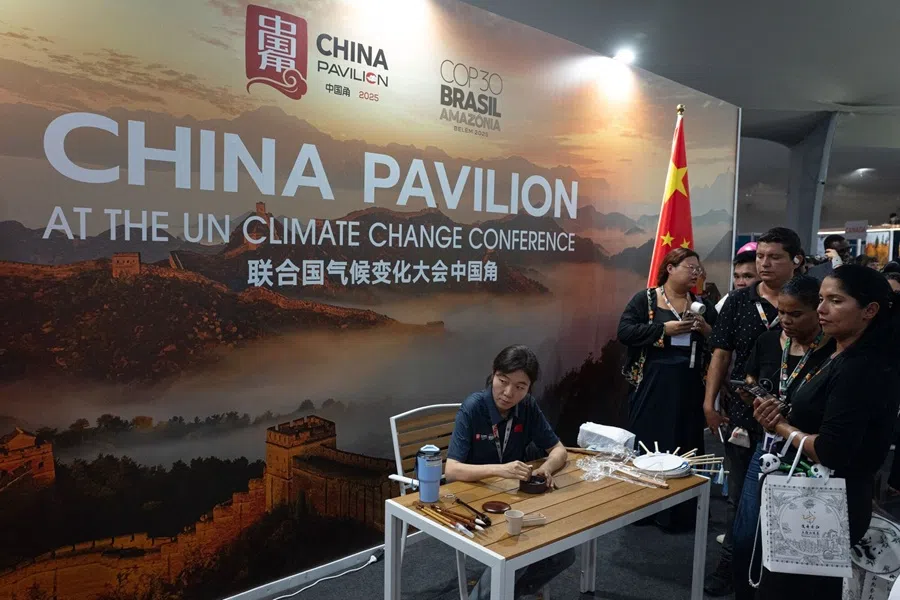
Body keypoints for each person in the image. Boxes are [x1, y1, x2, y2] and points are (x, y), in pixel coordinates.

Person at [753, 265, 900, 598]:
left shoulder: (861, 366)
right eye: (821, 299)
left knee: (794, 591)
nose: (821, 309)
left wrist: (780, 426)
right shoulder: (840, 352)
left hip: (828, 501)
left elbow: (832, 450)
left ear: (870, 311)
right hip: (814, 494)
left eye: (835, 300)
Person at [702, 227, 805, 596]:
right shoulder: (739, 302)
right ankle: (733, 565)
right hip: (744, 415)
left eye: (773, 256)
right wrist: (709, 402)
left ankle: (782, 571)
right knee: (740, 498)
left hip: (798, 418)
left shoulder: (810, 299)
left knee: (791, 495)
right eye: (760, 256)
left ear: (796, 260)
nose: (764, 263)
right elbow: (721, 354)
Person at [728, 276, 836, 600]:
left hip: (809, 456)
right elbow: (748, 376)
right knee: (746, 533)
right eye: (782, 313)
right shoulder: (768, 341)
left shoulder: (833, 351)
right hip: (768, 447)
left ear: (817, 311)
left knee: (799, 544)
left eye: (795, 314)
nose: (786, 321)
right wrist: (757, 396)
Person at [445, 345, 572, 599]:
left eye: (520, 387)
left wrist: (546, 468)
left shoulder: (527, 408)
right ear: (493, 374)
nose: (508, 393)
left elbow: (559, 450)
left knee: (563, 553)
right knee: (514, 549)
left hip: (513, 499)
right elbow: (451, 470)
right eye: (503, 381)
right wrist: (501, 470)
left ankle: (507, 594)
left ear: (529, 389)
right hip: (471, 501)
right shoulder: (474, 407)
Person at [617, 247, 716, 530]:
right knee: (649, 442)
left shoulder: (701, 304)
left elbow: (720, 344)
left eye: (698, 268)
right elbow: (624, 332)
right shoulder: (646, 299)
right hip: (652, 384)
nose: (695, 273)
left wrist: (706, 330)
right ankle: (643, 511)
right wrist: (664, 330)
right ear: (670, 268)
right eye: (689, 266)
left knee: (685, 443)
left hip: (689, 386)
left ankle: (679, 514)